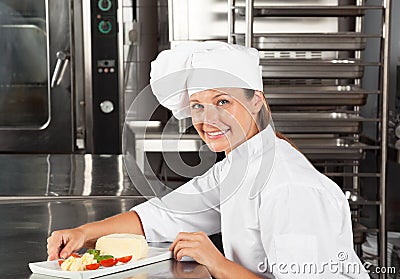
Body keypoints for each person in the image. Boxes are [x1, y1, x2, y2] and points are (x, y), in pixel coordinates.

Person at [47, 42, 369, 278]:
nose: (207, 118)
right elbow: (165, 215)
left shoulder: (290, 188)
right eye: (198, 105)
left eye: (223, 101)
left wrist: (216, 262)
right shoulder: (237, 166)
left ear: (256, 100)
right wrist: (83, 233)